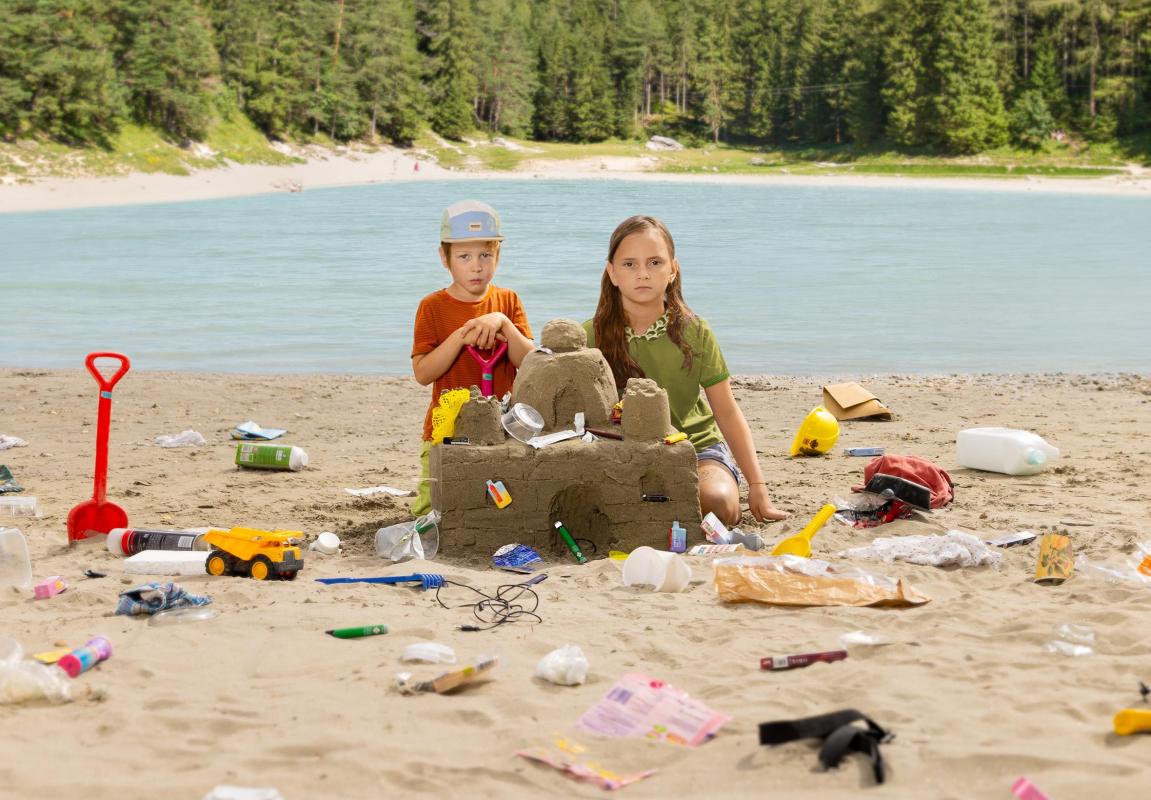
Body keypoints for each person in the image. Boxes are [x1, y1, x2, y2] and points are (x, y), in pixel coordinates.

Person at [584, 215, 787, 525]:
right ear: (612, 272)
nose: (642, 273)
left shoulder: (695, 332)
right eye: (629, 264)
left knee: (719, 504)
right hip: (623, 453)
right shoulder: (590, 336)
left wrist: (758, 487)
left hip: (696, 449)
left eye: (654, 262)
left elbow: (727, 412)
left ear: (672, 270)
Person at [410, 200, 534, 516]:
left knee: (499, 500)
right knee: (433, 505)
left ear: (498, 255)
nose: (476, 266)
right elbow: (423, 373)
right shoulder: (432, 307)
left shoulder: (508, 300)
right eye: (464, 257)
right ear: (445, 258)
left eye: (485, 255)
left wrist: (503, 324)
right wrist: (460, 336)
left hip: (501, 426)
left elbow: (531, 363)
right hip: (447, 428)